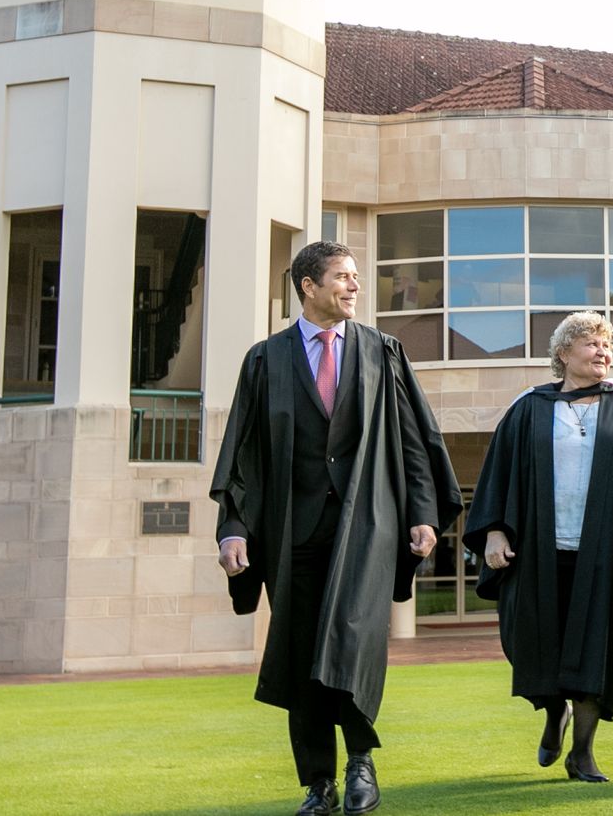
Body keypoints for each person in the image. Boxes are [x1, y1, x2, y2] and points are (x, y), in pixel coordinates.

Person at [212, 241, 461, 816]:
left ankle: (360, 762)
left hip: (367, 526)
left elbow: (413, 440)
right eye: (343, 277)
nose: (354, 286)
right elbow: (243, 451)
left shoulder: (382, 352)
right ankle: (318, 782)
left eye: (355, 277)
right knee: (302, 656)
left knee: (353, 641)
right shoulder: (265, 360)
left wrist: (422, 512)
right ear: (308, 285)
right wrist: (233, 528)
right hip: (291, 533)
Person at [464, 312, 613, 783]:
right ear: (564, 353)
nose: (602, 352)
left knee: (599, 649)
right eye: (592, 343)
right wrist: (494, 531)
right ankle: (555, 712)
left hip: (606, 553)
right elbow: (498, 472)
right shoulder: (530, 407)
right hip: (538, 552)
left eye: (607, 345)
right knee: (533, 644)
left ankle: (582, 754)